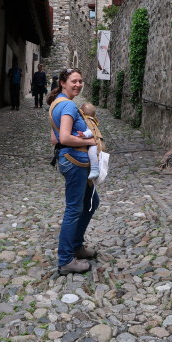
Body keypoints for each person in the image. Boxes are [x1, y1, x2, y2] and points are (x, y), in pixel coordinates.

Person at [49, 68, 99, 275]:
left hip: (72, 161)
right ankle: (66, 260)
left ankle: (76, 246)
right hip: (75, 163)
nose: (78, 84)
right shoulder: (68, 105)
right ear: (63, 83)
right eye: (73, 81)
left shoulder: (56, 104)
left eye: (80, 81)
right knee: (74, 209)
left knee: (91, 202)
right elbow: (63, 138)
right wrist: (90, 140)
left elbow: (54, 138)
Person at [79, 102, 101, 180]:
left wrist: (84, 134)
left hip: (93, 143)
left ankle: (95, 169)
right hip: (89, 141)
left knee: (92, 153)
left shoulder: (89, 121)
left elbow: (91, 131)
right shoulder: (86, 119)